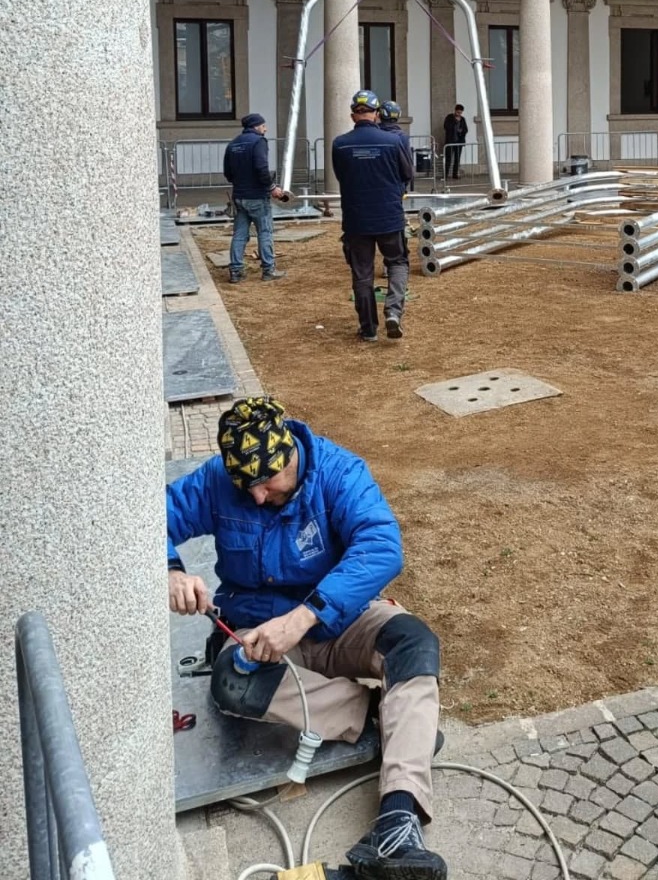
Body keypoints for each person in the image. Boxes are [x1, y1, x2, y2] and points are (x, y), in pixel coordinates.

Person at [166, 397, 446, 880]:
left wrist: (302, 617)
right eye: (246, 486)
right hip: (255, 629)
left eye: (267, 482)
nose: (257, 496)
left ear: (291, 455)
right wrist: (169, 568)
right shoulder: (218, 480)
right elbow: (148, 514)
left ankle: (398, 824)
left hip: (342, 618)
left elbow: (382, 547)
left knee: (412, 642)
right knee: (232, 683)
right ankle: (388, 715)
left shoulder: (340, 473)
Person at [332, 90, 414, 342]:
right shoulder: (393, 141)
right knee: (397, 262)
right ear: (376, 114)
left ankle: (368, 328)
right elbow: (407, 174)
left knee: (362, 273)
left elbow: (341, 176)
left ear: (352, 115)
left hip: (356, 218)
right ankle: (393, 311)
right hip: (389, 215)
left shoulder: (340, 144)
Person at [223, 113, 287, 283]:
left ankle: (236, 271)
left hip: (239, 196)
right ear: (256, 126)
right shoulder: (259, 142)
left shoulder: (233, 144)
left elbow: (227, 173)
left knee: (239, 234)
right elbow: (261, 168)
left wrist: (241, 182)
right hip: (257, 196)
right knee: (265, 232)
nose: (265, 129)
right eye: (263, 126)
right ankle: (268, 269)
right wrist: (272, 187)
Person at [442, 104, 468, 180]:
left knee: (457, 159)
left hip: (459, 141)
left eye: (460, 113)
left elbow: (466, 129)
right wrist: (455, 124)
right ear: (455, 110)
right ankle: (445, 175)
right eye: (458, 112)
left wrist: (461, 131)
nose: (459, 114)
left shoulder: (462, 119)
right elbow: (446, 126)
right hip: (450, 141)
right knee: (448, 158)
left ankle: (455, 174)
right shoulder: (449, 117)